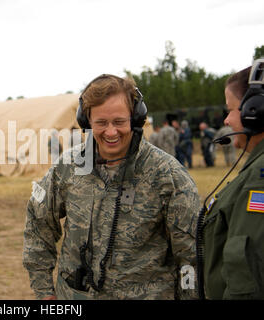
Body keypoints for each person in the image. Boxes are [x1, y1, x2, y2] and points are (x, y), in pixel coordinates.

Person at [23, 74, 200, 300]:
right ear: (86, 122)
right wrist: (44, 291)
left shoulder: (168, 176)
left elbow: (191, 257)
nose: (110, 132)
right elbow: (38, 225)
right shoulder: (67, 168)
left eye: (119, 122)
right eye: (101, 123)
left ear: (136, 119)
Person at [198, 62, 264, 300]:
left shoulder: (259, 180)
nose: (226, 120)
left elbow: (245, 272)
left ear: (254, 111)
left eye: (231, 109)